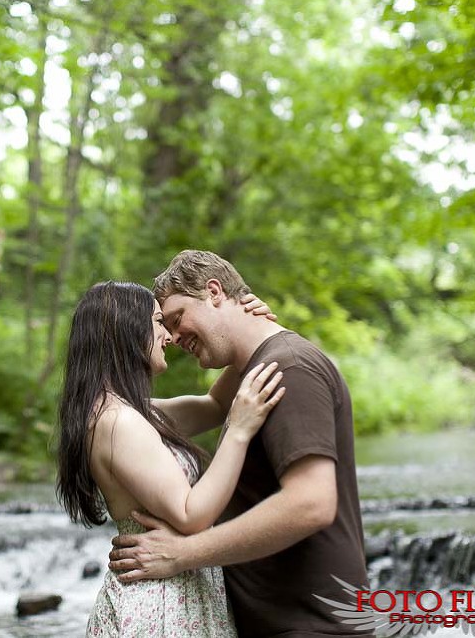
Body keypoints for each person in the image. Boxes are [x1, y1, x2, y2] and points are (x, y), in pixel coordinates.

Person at [108, 250, 369, 636]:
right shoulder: (258, 371)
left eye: (178, 318)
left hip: (311, 624)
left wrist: (184, 555)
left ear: (214, 292)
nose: (174, 337)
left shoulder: (289, 369)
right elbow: (209, 405)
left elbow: (311, 503)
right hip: (278, 621)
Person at [56, 280, 286, 637]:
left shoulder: (134, 414)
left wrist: (250, 331)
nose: (169, 336)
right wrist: (239, 431)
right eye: (158, 322)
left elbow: (216, 405)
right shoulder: (118, 422)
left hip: (174, 598)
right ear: (128, 330)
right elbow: (190, 514)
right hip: (157, 610)